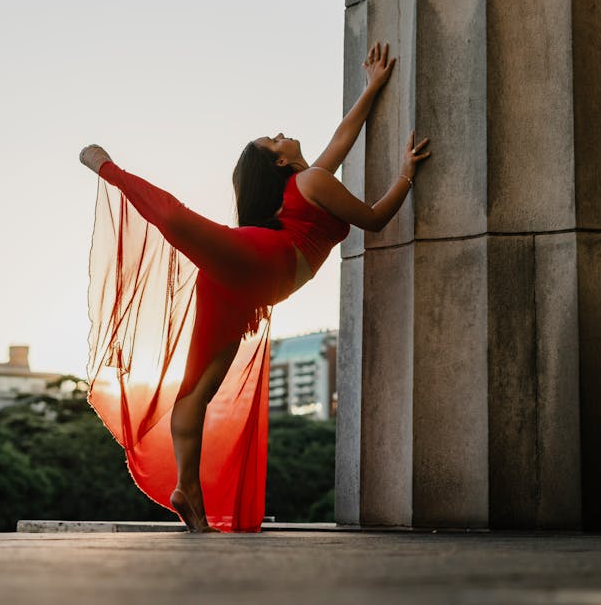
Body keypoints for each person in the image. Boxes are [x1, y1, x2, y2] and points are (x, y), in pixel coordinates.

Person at [79, 41, 430, 533]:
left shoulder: (307, 183)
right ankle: (107, 167)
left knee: (196, 389)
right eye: (275, 140)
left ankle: (188, 488)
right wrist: (405, 177)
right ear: (280, 163)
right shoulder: (312, 183)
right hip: (263, 267)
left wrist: (372, 86)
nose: (283, 134)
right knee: (178, 223)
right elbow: (373, 219)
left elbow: (342, 135)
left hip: (243, 281)